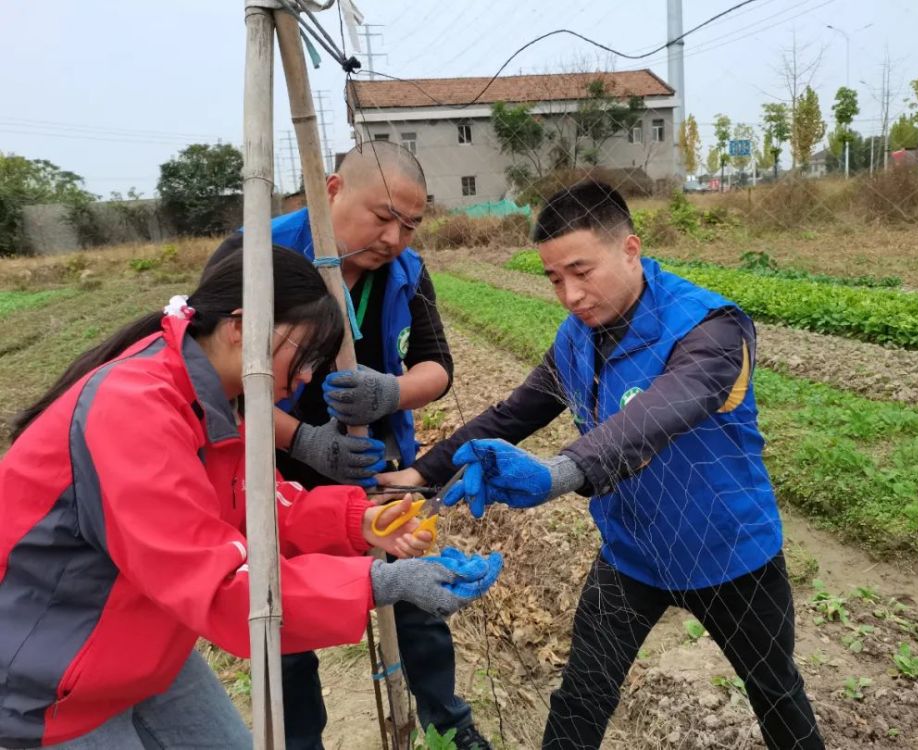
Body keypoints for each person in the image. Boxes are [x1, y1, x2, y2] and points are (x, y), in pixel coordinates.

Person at [380, 181, 826, 749]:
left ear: (630, 250)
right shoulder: (577, 339)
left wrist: (558, 472)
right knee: (583, 697)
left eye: (581, 271)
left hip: (728, 553)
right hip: (631, 553)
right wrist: (424, 472)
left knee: (776, 694)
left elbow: (660, 414)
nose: (569, 294)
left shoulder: (710, 328)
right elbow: (517, 410)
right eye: (554, 278)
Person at [0, 245, 501, 749]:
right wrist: (380, 583)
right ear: (239, 327)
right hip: (46, 679)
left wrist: (360, 521)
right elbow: (214, 582)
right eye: (304, 356)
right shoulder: (135, 410)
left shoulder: (213, 396)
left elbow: (259, 503)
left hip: (142, 647)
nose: (307, 377)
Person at [207, 141, 490, 750]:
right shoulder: (255, 256)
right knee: (283, 613)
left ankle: (448, 724)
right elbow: (222, 387)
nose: (394, 237)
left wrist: (390, 392)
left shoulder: (405, 272)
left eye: (410, 224)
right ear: (330, 189)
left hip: (375, 463)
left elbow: (436, 367)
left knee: (416, 587)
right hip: (274, 469)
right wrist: (305, 441)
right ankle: (299, 740)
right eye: (382, 216)